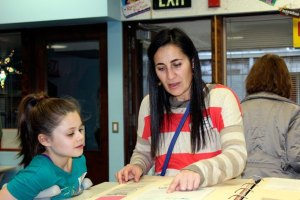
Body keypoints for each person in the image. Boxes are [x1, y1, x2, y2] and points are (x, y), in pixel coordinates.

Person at [116, 28, 247, 193]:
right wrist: (136, 166)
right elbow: (143, 152)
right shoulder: (149, 105)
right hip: (166, 193)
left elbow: (237, 156)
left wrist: (197, 171)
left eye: (177, 65)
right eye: (161, 68)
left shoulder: (220, 98)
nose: (170, 76)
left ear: (192, 62)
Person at [0, 92, 92, 199]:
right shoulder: (39, 172)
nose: (80, 137)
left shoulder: (79, 160)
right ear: (45, 140)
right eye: (70, 133)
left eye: (80, 129)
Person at [241, 53, 300, 179]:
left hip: (240, 185)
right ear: (285, 80)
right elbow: (296, 157)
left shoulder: (237, 109)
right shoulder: (293, 112)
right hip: (281, 186)